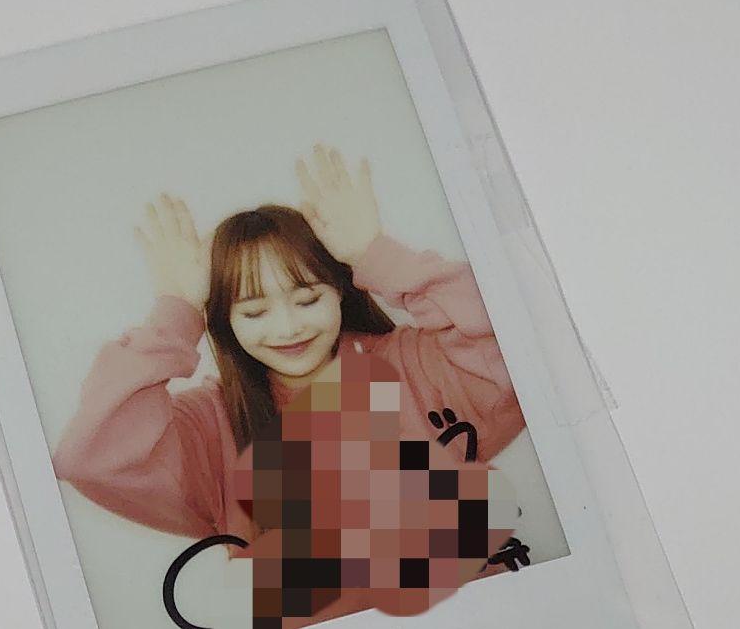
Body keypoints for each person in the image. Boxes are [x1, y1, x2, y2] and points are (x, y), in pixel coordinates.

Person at [52, 144, 526, 547]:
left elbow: (524, 340)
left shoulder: (413, 365)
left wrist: (375, 253)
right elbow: (89, 457)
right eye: (254, 312)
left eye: (307, 300)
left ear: (340, 291)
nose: (287, 328)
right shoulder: (212, 424)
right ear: (225, 322)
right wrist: (177, 311)